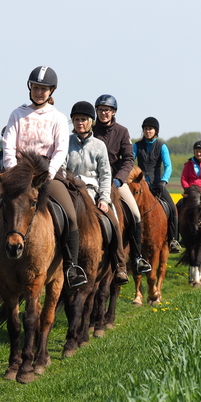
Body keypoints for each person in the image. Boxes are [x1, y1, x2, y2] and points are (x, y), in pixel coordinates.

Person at [0, 66, 87, 290]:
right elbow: (8, 145)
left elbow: (61, 150)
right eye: (35, 87)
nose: (39, 92)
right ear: (30, 88)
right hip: (18, 173)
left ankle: (71, 267)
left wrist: (49, 175)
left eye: (44, 89)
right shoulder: (17, 113)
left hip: (46, 173)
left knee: (70, 215)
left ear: (51, 91)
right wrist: (14, 175)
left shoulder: (59, 118)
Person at [63, 101, 129, 286]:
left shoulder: (99, 146)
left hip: (93, 191)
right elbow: (61, 168)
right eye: (76, 120)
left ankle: (119, 265)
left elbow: (106, 174)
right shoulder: (65, 142)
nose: (80, 123)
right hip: (71, 191)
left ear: (91, 121)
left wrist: (105, 199)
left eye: (83, 119)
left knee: (113, 221)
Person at [93, 94, 150, 274]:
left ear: (113, 112)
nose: (103, 113)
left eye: (107, 110)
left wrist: (119, 178)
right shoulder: (90, 129)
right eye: (101, 110)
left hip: (115, 179)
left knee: (135, 214)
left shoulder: (122, 131)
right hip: (91, 179)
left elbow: (128, 159)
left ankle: (137, 257)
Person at [132, 117, 181, 253]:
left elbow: (168, 166)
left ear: (156, 131)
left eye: (150, 129)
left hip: (157, 185)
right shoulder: (136, 146)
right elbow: (130, 162)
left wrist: (163, 181)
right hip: (141, 186)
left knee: (172, 209)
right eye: (146, 129)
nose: (148, 131)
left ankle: (173, 240)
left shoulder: (162, 146)